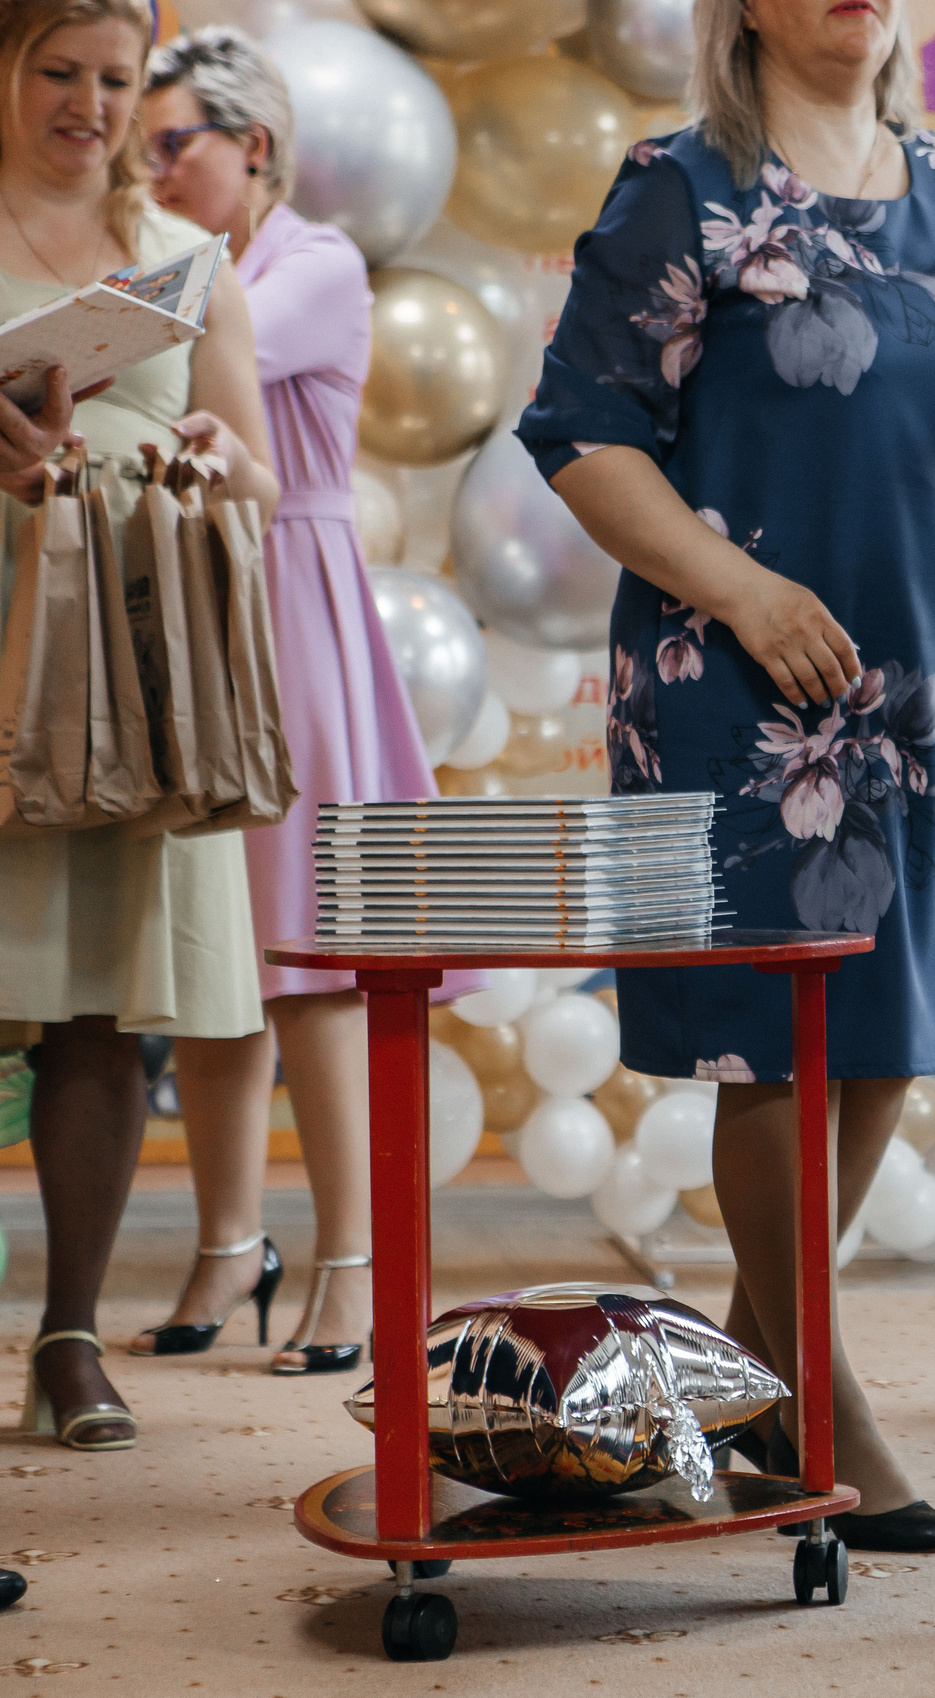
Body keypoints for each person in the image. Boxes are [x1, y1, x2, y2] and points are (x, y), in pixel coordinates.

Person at [519, 0, 935, 1552]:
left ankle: (748, 1378)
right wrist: (740, 591)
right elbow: (584, 435)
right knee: (781, 1040)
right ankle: (823, 1403)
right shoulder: (680, 188)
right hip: (738, 680)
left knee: (882, 1036)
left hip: (915, 679)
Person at [126, 26, 450, 1376]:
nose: (152, 170)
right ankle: (227, 1244)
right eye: (140, 150)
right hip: (196, 598)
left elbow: (166, 350)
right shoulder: (175, 260)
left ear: (252, 145)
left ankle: (352, 1267)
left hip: (296, 603)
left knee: (313, 963)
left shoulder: (309, 264)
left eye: (171, 144)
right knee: (214, 957)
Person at [0, 0, 280, 1450]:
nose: (91, 104)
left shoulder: (183, 258)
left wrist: (222, 459)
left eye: (116, 79)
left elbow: (262, 475)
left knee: (99, 1008)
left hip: (122, 672)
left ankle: (69, 1339)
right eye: (59, 71)